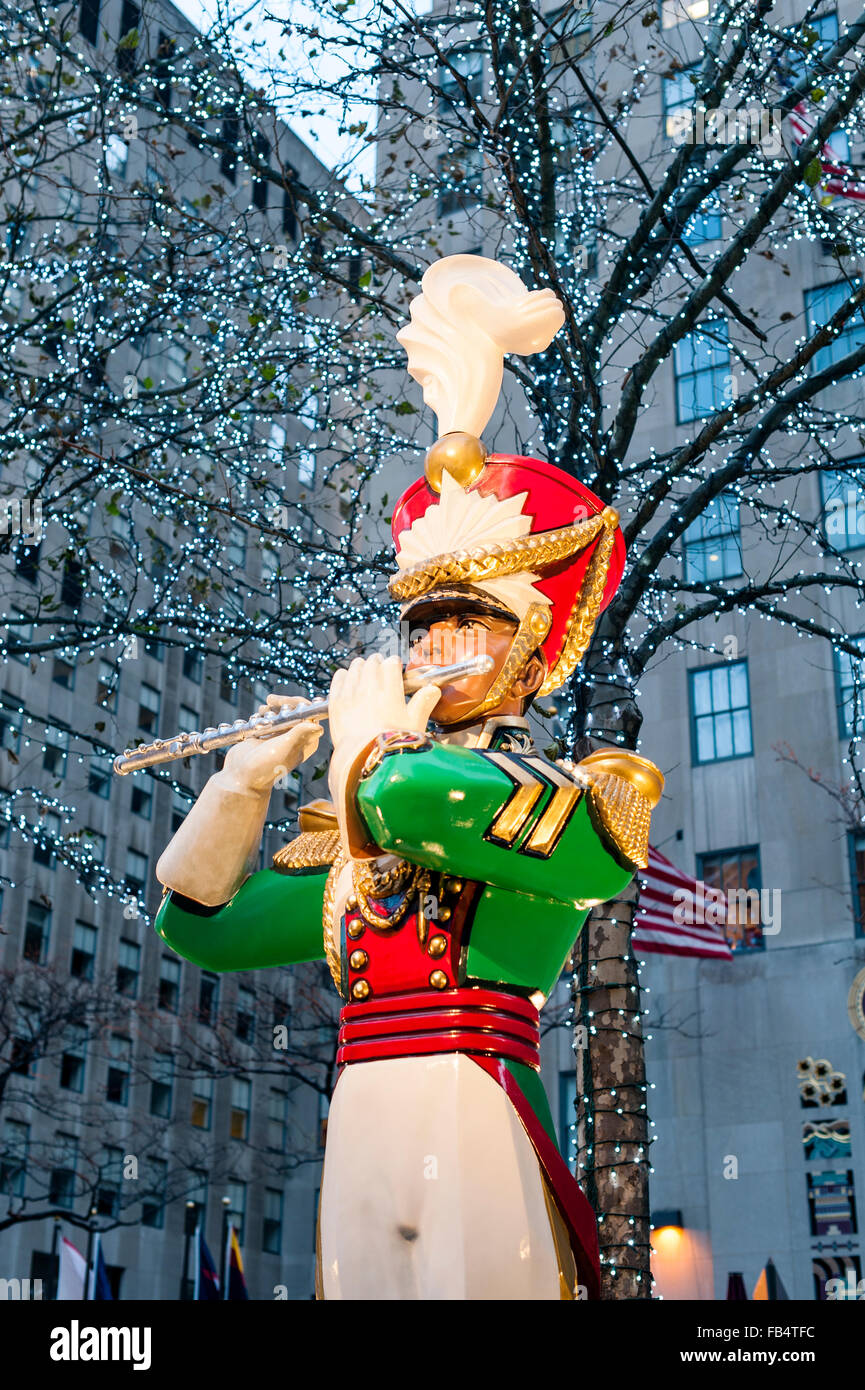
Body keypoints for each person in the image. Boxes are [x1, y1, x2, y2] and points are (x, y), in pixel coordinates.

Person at [154, 254, 664, 1299]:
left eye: (469, 624)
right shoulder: (363, 807)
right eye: (423, 627)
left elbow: (416, 804)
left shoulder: (568, 792)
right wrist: (240, 786)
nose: (438, 651)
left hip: (480, 1111)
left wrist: (367, 749)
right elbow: (198, 924)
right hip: (362, 1128)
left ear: (528, 646)